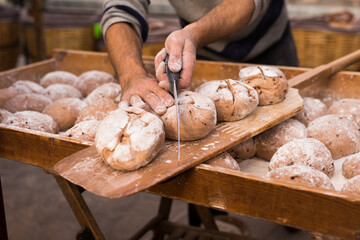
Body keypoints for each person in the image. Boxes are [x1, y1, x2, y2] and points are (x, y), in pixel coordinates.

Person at [101, 0, 299, 227]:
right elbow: (120, 8)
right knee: (205, 176)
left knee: (286, 160)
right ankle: (208, 224)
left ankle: (292, 221)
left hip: (267, 43)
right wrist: (131, 75)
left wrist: (194, 34)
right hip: (196, 45)